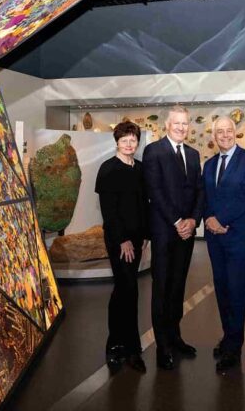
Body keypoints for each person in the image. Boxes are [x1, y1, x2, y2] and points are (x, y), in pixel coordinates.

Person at [143, 105, 204, 370]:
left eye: (186, 124)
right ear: (167, 125)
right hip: (164, 231)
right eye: (177, 123)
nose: (181, 127)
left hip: (186, 233)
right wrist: (178, 221)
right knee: (162, 288)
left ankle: (175, 337)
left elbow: (199, 191)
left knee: (178, 287)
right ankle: (162, 346)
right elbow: (154, 190)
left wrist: (193, 220)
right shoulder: (153, 151)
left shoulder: (193, 154)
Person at [203, 116, 245, 372]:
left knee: (236, 289)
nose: (224, 135)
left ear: (235, 133)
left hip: (236, 235)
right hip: (214, 238)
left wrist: (221, 220)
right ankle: (227, 336)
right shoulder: (209, 164)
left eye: (228, 130)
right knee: (222, 287)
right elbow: (204, 196)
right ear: (214, 136)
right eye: (219, 132)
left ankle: (234, 346)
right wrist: (209, 219)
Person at [95, 121, 149, 373]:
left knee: (123, 290)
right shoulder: (108, 169)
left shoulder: (139, 168)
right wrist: (122, 240)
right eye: (125, 139)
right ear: (116, 141)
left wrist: (145, 236)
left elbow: (143, 205)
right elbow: (109, 211)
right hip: (119, 241)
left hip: (137, 239)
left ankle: (114, 343)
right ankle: (132, 349)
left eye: (133, 139)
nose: (129, 144)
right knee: (129, 289)